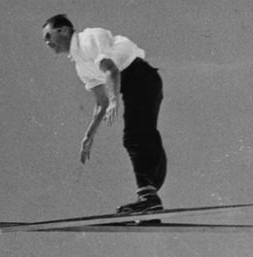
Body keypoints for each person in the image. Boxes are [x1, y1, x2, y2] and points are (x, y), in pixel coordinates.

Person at [42, 15, 167, 215]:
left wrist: (115, 99)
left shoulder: (87, 39)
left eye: (49, 36)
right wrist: (89, 136)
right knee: (140, 135)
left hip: (140, 77)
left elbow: (111, 70)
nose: (47, 43)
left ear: (64, 30)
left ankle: (148, 197)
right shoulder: (81, 66)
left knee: (135, 136)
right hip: (136, 84)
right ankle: (149, 200)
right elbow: (101, 103)